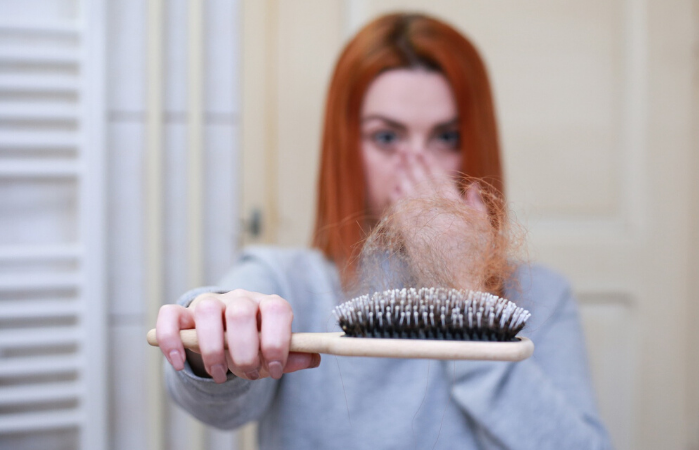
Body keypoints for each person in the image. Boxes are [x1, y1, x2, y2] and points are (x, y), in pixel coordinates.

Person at [156, 12, 613, 449]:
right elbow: (216, 405)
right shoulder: (286, 281)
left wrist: (469, 295)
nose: (419, 165)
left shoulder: (544, 299)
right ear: (346, 146)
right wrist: (211, 342)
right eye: (387, 137)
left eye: (446, 137)